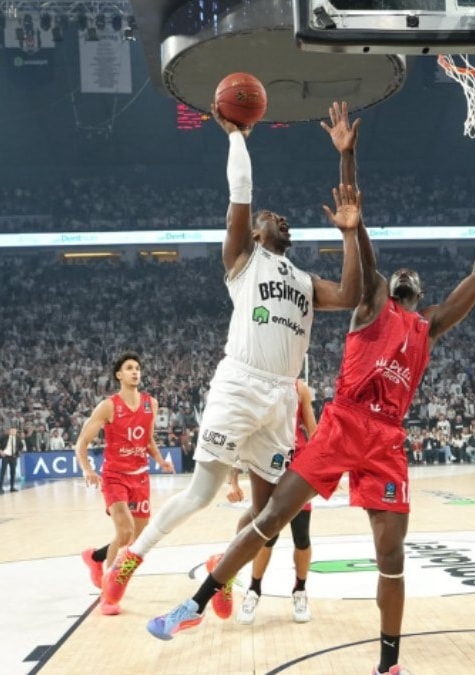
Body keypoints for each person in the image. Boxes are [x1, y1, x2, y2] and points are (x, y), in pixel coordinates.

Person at [147, 105, 475, 675]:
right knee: (270, 517)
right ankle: (192, 605)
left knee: (391, 555)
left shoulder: (429, 326)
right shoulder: (372, 304)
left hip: (386, 438)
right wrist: (347, 161)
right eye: (396, 275)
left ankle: (388, 664)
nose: (403, 277)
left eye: (412, 278)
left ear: (422, 294)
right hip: (342, 422)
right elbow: (358, 235)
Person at [99, 104, 364, 612]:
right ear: (255, 233)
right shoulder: (243, 260)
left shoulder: (306, 281)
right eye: (270, 217)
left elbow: (352, 294)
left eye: (281, 217)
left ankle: (220, 573)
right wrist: (237, 137)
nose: (280, 218)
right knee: (201, 493)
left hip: (281, 397)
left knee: (268, 514)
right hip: (240, 384)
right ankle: (129, 561)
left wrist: (350, 233)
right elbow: (240, 192)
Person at [76, 352, 174, 615]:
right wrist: (87, 469)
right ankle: (108, 593)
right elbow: (82, 442)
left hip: (140, 476)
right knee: (125, 531)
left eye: (138, 368)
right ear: (119, 375)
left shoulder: (151, 404)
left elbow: (148, 440)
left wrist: (160, 460)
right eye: (129, 368)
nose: (135, 371)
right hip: (114, 477)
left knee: (134, 542)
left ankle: (96, 558)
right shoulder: (108, 406)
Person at [232, 379, 318, 625]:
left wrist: (324, 468)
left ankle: (300, 591)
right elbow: (243, 434)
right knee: (267, 535)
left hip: (297, 466)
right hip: (267, 466)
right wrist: (233, 480)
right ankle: (254, 590)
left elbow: (313, 432)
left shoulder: (300, 388)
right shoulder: (258, 385)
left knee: (301, 535)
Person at [0, 427, 23, 493]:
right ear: (9, 431)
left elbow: (21, 446)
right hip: (5, 456)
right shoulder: (4, 437)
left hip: (13, 457)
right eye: (12, 431)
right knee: (3, 472)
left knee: (13, 472)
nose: (13, 432)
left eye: (14, 431)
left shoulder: (18, 438)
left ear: (16, 432)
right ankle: (0, 487)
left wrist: (18, 452)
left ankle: (12, 487)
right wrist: (0, 451)